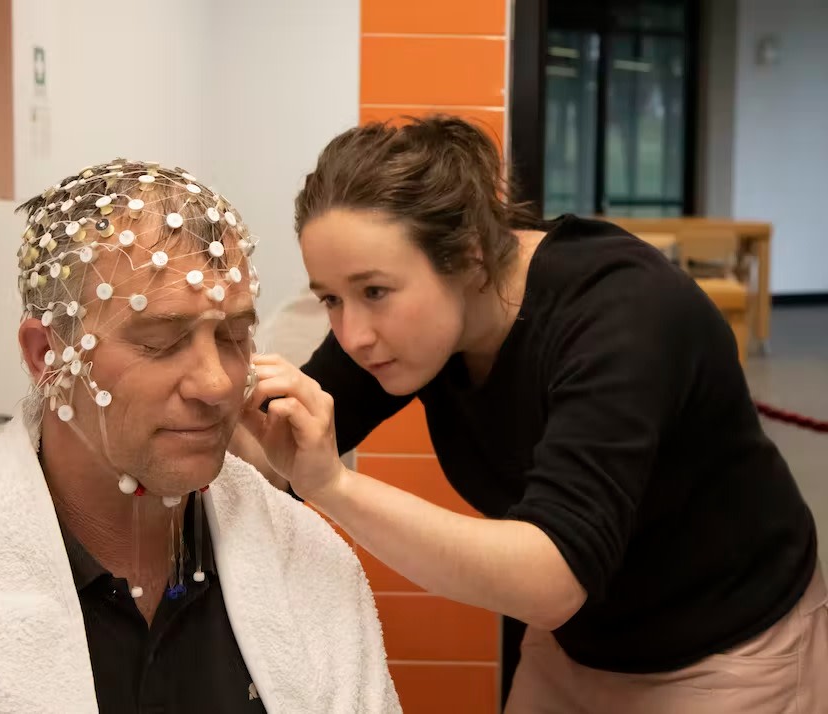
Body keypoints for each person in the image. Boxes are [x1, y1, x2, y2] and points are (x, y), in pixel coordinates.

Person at [232, 116, 827, 713]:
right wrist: (214, 390)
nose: (353, 334)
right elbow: (277, 458)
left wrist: (332, 486)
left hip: (731, 649)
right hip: (578, 644)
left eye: (374, 292)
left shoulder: (621, 315)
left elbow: (551, 580)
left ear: (469, 258)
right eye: (331, 298)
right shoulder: (399, 327)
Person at [0, 160, 400, 713]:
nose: (217, 382)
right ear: (46, 354)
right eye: (159, 342)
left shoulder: (308, 566)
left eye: (233, 336)